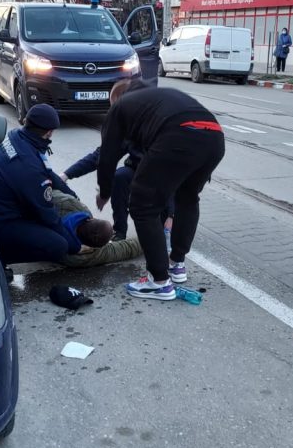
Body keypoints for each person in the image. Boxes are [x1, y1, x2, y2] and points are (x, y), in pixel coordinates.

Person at [96, 80, 225, 300]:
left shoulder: (121, 106)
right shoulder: (161, 96)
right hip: (214, 137)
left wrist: (105, 191)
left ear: (116, 99)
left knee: (142, 206)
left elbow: (107, 155)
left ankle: (159, 281)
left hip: (179, 135)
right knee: (188, 198)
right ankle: (177, 264)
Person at [0, 103, 111, 266]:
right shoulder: (28, 166)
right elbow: (47, 215)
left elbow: (47, 172)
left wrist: (73, 197)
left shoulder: (18, 138)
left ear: (27, 122)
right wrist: (74, 246)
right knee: (59, 246)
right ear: (49, 132)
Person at [62, 140, 174, 242]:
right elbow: (104, 154)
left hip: (169, 178)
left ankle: (169, 226)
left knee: (161, 234)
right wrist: (66, 175)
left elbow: (174, 178)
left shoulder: (171, 133)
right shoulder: (132, 129)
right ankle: (120, 231)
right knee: (120, 176)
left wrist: (171, 214)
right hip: (139, 171)